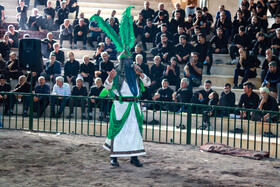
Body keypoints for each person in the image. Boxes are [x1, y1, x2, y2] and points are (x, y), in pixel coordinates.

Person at [103, 55, 151, 167]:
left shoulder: (136, 73)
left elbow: (148, 83)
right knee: (118, 131)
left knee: (134, 131)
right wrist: (110, 78)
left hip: (134, 106)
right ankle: (113, 157)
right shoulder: (116, 73)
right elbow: (107, 86)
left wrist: (141, 73)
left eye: (130, 60)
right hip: (121, 106)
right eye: (126, 60)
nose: (128, 62)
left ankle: (134, 157)